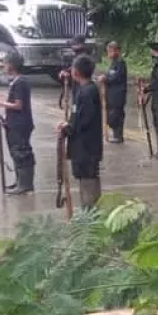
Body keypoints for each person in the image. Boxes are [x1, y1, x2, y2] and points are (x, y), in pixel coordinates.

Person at [59, 55, 104, 209]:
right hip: (83, 147)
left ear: (76, 71)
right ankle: (88, 209)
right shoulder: (84, 89)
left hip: (86, 146)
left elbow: (84, 119)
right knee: (84, 178)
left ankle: (90, 212)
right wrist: (68, 124)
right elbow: (77, 116)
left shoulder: (87, 92)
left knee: (88, 178)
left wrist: (68, 128)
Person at [0, 52, 36, 194]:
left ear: (11, 66)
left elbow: (18, 105)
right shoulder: (16, 82)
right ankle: (20, 181)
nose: (3, 67)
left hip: (20, 124)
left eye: (5, 64)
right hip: (14, 123)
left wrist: (1, 103)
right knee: (15, 152)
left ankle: (25, 184)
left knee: (21, 152)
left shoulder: (20, 83)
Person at [97, 41, 128, 143]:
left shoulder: (120, 63)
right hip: (111, 93)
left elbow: (116, 77)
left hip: (118, 94)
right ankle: (116, 134)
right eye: (108, 51)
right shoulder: (113, 63)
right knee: (111, 114)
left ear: (117, 51)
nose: (109, 54)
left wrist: (106, 78)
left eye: (111, 51)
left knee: (116, 115)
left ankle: (118, 136)